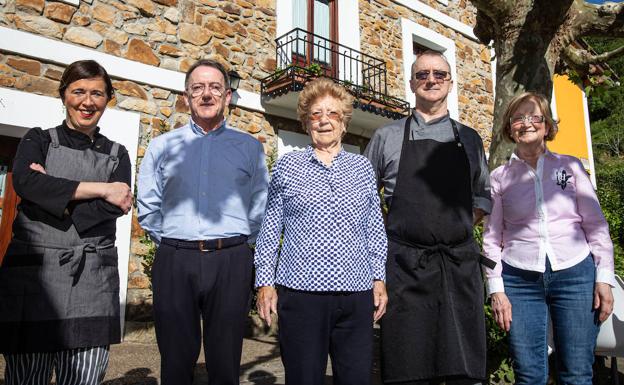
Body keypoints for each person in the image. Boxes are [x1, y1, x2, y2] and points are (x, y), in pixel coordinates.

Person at [137, 58, 269, 385]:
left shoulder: (250, 148)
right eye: (198, 88)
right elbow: (148, 203)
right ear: (186, 97)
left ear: (227, 97)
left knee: (225, 364)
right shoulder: (162, 146)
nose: (206, 94)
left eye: (215, 88)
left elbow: (260, 203)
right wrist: (172, 240)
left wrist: (242, 245)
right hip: (175, 259)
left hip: (231, 260)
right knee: (175, 362)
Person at [0, 60, 132, 385]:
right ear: (64, 95)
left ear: (107, 99)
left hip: (91, 280)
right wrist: (100, 188)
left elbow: (108, 211)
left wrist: (50, 193)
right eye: (79, 91)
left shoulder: (119, 155)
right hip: (35, 279)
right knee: (26, 378)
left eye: (97, 94)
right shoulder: (38, 139)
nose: (87, 102)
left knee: (85, 377)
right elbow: (26, 184)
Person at [364, 50, 492, 385]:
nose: (430, 80)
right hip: (405, 268)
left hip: (457, 265)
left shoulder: (470, 138)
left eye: (438, 74)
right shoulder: (386, 137)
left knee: (462, 368)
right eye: (422, 75)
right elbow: (364, 198)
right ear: (411, 84)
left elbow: (482, 194)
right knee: (408, 366)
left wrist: (458, 227)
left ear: (450, 82)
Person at [254, 77, 388, 385]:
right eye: (316, 114)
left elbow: (374, 229)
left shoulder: (363, 168)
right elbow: (270, 228)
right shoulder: (288, 166)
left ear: (344, 123)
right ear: (306, 122)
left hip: (355, 294)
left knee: (355, 379)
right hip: (301, 296)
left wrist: (379, 278)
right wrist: (265, 283)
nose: (324, 121)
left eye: (332, 114)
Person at [482, 91, 615, 385]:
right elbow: (492, 238)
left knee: (577, 373)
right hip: (519, 280)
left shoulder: (571, 167)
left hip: (576, 275)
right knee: (528, 375)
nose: (526, 123)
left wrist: (603, 278)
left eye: (534, 117)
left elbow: (596, 226)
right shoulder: (500, 177)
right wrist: (496, 289)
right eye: (518, 117)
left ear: (546, 125)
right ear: (510, 126)